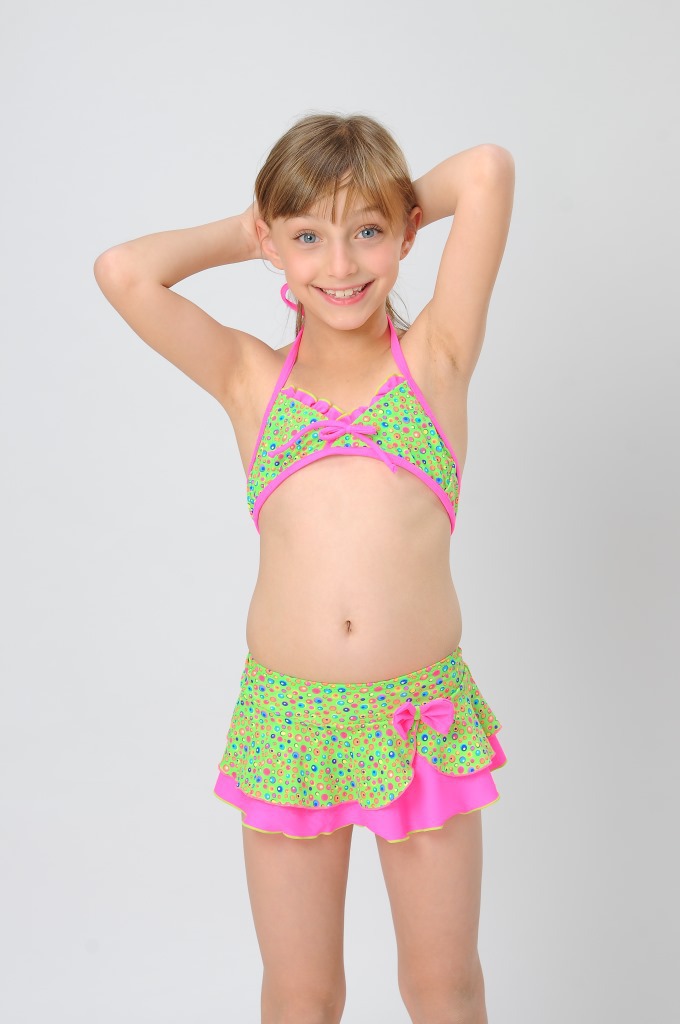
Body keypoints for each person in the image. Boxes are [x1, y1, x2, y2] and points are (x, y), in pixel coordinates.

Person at [93, 112, 515, 1024]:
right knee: (301, 994)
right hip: (287, 721)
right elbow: (123, 270)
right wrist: (253, 229)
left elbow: (485, 170)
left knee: (443, 987)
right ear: (273, 246)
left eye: (368, 231)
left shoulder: (436, 361)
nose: (342, 264)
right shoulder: (253, 381)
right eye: (309, 239)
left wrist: (376, 203)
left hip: (418, 718)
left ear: (407, 233)